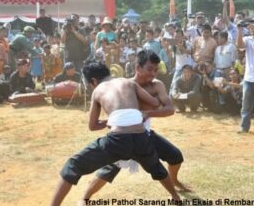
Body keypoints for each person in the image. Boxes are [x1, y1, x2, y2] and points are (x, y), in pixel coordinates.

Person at [50, 62, 180, 206]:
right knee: (156, 166)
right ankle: (176, 198)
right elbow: (155, 103)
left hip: (118, 140)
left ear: (93, 81)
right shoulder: (128, 82)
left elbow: (92, 126)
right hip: (141, 136)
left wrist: (111, 119)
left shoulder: (98, 90)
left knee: (72, 165)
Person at [79, 50, 189, 204]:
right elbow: (102, 115)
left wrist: (147, 113)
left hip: (145, 134)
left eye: (156, 70)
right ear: (138, 68)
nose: (153, 74)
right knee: (108, 170)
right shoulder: (124, 85)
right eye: (150, 69)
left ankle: (174, 182)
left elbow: (170, 109)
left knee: (176, 156)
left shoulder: (157, 85)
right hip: (121, 137)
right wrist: (111, 121)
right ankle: (85, 199)